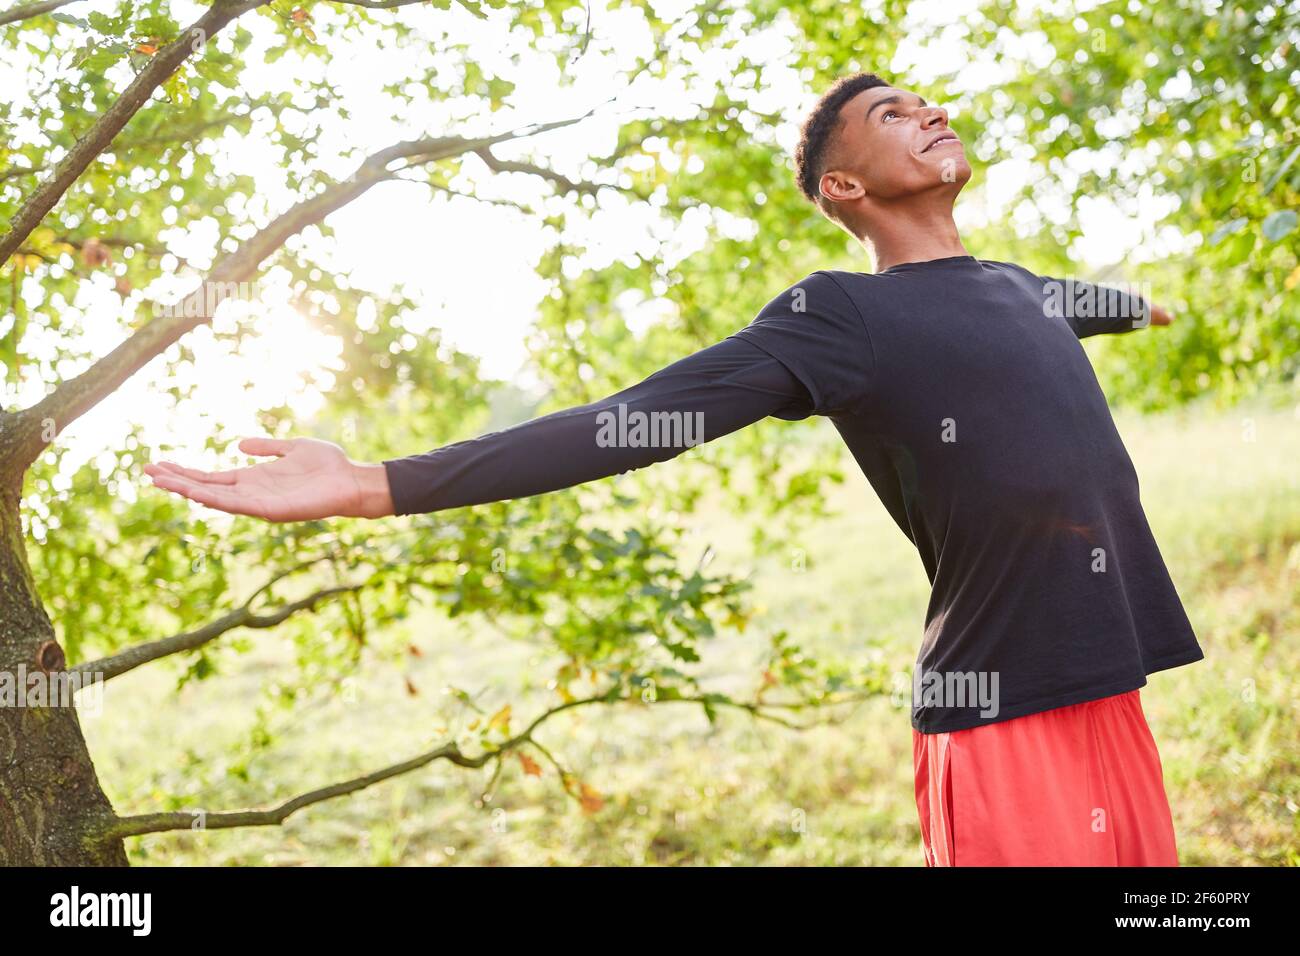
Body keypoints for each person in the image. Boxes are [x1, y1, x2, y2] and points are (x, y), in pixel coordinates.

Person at [145, 72, 1204, 866]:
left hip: (1105, 677)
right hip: (999, 703)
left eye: (925, 100)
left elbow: (1071, 303)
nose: (926, 110)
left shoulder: (1015, 286)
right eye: (890, 112)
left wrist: (1141, 304)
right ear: (843, 186)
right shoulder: (837, 315)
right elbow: (636, 420)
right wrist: (379, 480)